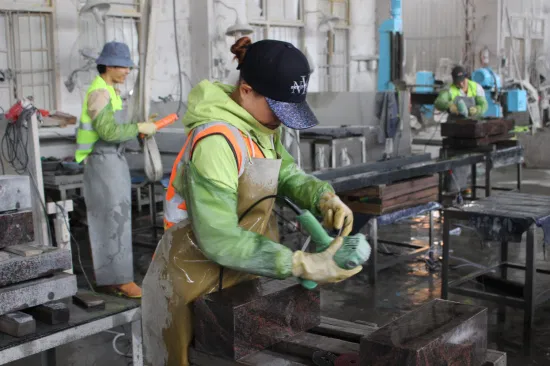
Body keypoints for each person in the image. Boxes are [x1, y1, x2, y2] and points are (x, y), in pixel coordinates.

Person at [142, 37, 362, 366]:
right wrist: (299, 263)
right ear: (246, 89)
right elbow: (219, 239)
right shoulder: (217, 141)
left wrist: (322, 197)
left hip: (241, 274)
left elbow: (285, 172)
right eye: (277, 107)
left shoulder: (257, 127)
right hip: (193, 282)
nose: (281, 119)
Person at [75, 41, 158, 299]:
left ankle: (110, 279)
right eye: (123, 66)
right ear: (109, 65)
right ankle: (120, 280)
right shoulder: (99, 92)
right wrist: (138, 129)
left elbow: (115, 128)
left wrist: (141, 126)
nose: (127, 71)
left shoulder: (111, 91)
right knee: (112, 221)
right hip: (103, 162)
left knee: (114, 221)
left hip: (113, 160)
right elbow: (108, 132)